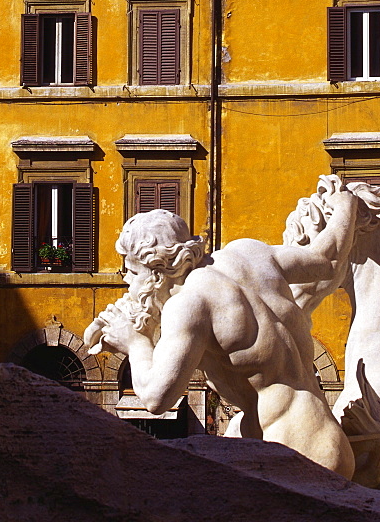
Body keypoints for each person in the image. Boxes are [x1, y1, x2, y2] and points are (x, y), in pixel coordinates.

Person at [84, 179, 358, 478]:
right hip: (326, 440)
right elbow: (327, 260)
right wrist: (345, 205)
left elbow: (156, 398)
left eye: (132, 271)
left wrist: (135, 343)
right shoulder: (248, 253)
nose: (127, 281)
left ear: (158, 271)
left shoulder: (189, 305)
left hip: (290, 455)